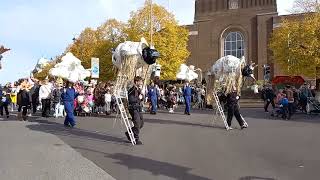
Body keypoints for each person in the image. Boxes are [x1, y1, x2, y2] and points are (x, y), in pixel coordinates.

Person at [125, 76, 144, 145]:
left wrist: (141, 96)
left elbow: (141, 98)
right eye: (140, 81)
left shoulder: (138, 89)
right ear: (136, 82)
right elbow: (131, 100)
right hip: (133, 108)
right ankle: (136, 138)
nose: (141, 83)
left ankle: (129, 132)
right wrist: (139, 98)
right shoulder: (132, 90)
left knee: (141, 123)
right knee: (137, 124)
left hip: (138, 108)